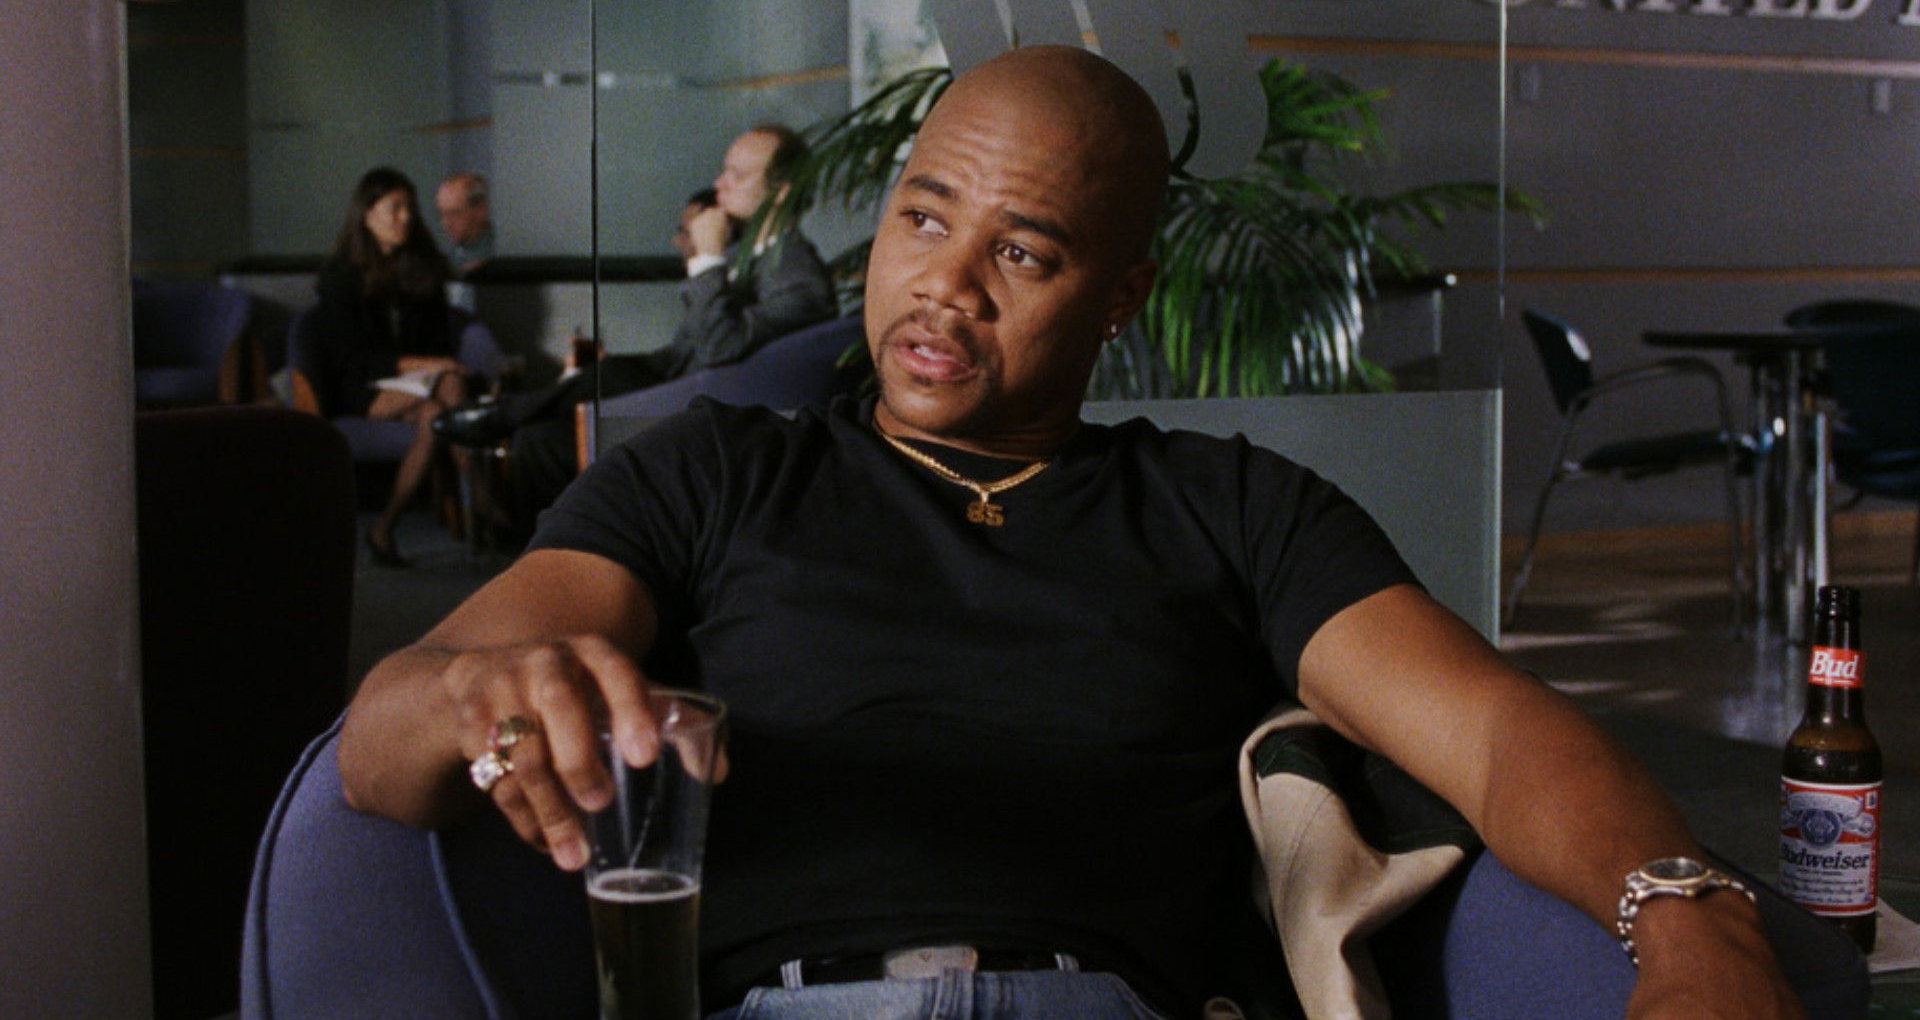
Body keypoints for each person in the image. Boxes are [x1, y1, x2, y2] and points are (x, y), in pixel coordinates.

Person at [341, 49, 1804, 1019]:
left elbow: (1495, 737)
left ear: (1118, 298)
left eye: (1023, 252)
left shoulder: (1230, 508)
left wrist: (1694, 925)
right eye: (924, 221)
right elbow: (378, 742)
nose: (948, 285)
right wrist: (475, 696)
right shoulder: (715, 473)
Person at [433, 125, 834, 532]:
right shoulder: (751, 258)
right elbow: (683, 353)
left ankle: (503, 424)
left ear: (781, 193)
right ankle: (535, 531)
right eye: (723, 171)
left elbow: (717, 350)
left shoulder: (798, 279)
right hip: (678, 391)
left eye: (738, 175)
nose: (719, 184)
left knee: (549, 435)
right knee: (553, 422)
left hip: (708, 419)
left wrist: (707, 260)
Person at [310, 166, 468, 567]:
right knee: (450, 382)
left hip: (416, 384)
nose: (406, 217)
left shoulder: (420, 267)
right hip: (360, 386)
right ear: (367, 215)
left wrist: (431, 365)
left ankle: (383, 529)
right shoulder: (340, 277)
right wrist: (432, 365)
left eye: (409, 208)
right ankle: (480, 498)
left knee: (435, 415)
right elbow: (352, 358)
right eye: (395, 208)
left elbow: (438, 339)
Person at [435, 172, 494, 277]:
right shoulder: (446, 258)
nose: (446, 223)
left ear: (480, 210)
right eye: (442, 214)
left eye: (454, 213)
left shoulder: (500, 253)